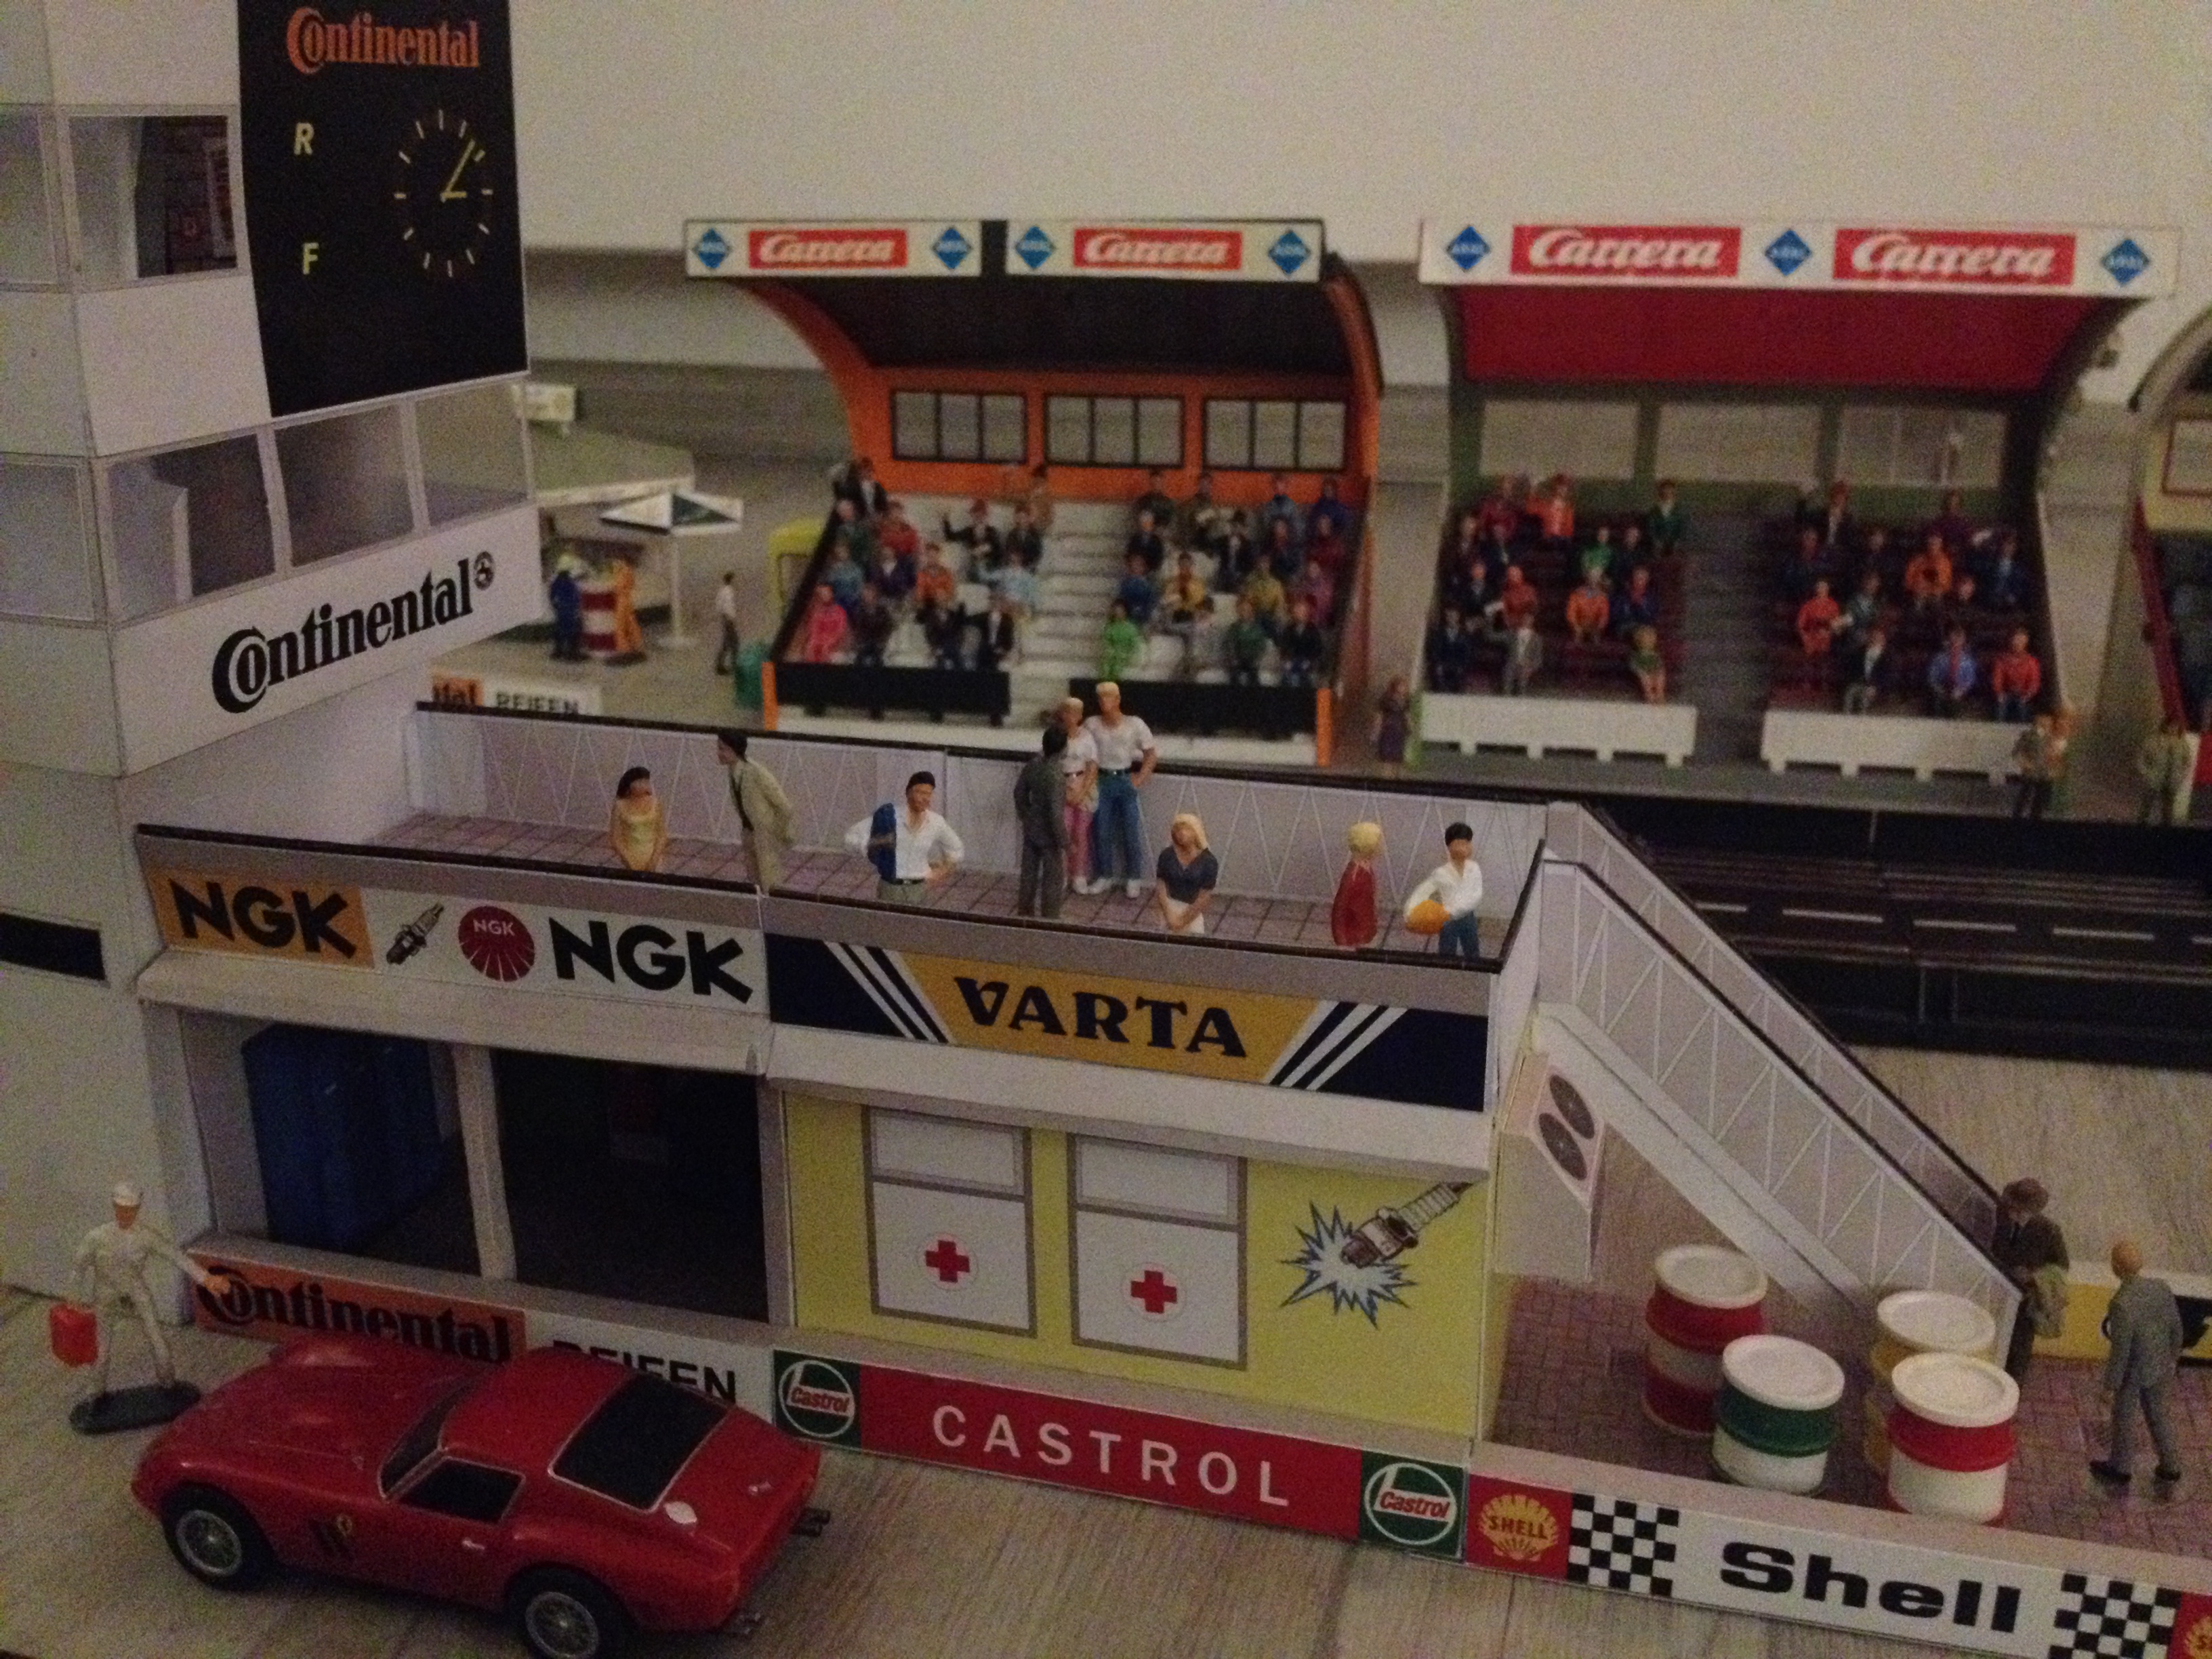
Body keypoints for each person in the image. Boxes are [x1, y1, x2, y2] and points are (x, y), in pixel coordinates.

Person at [72, 1181, 228, 1404]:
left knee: (157, 1340)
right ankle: (95, 1394)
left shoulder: (146, 1236)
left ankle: (168, 1383)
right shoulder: (97, 1237)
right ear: (114, 1208)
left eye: (131, 1210)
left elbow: (176, 1256)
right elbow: (78, 1268)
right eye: (121, 1209)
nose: (126, 1214)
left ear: (137, 1210)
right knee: (102, 1347)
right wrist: (73, 1297)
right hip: (105, 1292)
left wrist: (206, 1278)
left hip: (136, 1289)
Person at [2091, 1240, 2186, 1490]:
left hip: (2134, 1373)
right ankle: (2171, 1465)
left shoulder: (2121, 1303)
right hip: (2160, 1364)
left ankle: (2120, 1467)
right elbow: (2176, 1327)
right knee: (2158, 1414)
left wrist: (2110, 1386)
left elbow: (2121, 1351)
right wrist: (2173, 1357)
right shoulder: (2161, 1288)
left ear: (2117, 1268)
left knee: (2124, 1418)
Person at [844, 770, 964, 904]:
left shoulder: (936, 822)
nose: (925, 798)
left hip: (918, 888)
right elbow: (851, 838)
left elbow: (956, 848)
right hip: (890, 887)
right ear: (908, 793)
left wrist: (944, 871)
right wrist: (875, 843)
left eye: (928, 794)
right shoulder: (889, 817)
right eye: (920, 792)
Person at [1990, 1177, 2068, 1381]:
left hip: (2025, 1304)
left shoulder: (2049, 1232)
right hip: (1998, 1294)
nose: (2015, 1216)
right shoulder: (2003, 1218)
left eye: (2022, 1212)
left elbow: (2061, 1268)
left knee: (2018, 1351)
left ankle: (2014, 1386)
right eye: (2013, 1210)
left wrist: (2034, 1277)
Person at [1084, 683, 1156, 897]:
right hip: (1101, 780)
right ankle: (1104, 875)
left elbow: (1151, 754)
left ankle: (1134, 877)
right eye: (1100, 698)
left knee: (1130, 830)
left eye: (1108, 697)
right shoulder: (1092, 724)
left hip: (1124, 779)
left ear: (1118, 699)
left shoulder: (1135, 724)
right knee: (1101, 830)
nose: (1103, 702)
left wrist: (1140, 778)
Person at [716, 731, 794, 890]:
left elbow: (784, 807)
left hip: (765, 835)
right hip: (749, 832)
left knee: (769, 881)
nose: (719, 753)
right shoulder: (733, 771)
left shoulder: (757, 773)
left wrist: (776, 832)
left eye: (723, 749)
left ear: (735, 749)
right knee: (754, 879)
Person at [1013, 726, 1070, 920]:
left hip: (1032, 828)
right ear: (1062, 748)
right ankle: (1050, 917)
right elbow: (1055, 813)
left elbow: (1019, 792)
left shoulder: (1033, 765)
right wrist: (1065, 842)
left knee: (1028, 875)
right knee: (1053, 879)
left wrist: (1026, 815)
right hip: (1050, 835)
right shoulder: (1056, 776)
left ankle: (1024, 913)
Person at [1406, 822, 1483, 960]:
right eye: (1460, 844)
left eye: (1468, 843)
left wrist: (1452, 911)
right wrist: (1410, 912)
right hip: (1448, 921)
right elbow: (1422, 892)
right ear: (1450, 847)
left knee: (1472, 950)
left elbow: (1476, 895)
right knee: (1447, 952)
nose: (1466, 847)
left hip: (1467, 918)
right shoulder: (1441, 873)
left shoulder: (1474, 868)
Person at [1056, 697, 1099, 896]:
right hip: (1061, 786)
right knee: (1062, 832)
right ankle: (1062, 874)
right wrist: (1064, 789)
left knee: (1081, 833)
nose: (1070, 716)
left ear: (1080, 715)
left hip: (1083, 786)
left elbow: (1092, 766)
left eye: (1075, 712)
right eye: (1067, 711)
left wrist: (1082, 791)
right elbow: (1049, 762)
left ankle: (1079, 874)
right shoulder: (1056, 735)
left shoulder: (1087, 737)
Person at [1153, 812, 1218, 936]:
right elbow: (1161, 886)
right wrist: (1169, 915)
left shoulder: (1208, 861)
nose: (1182, 833)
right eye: (1178, 830)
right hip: (1170, 908)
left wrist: (1183, 921)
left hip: (1192, 911)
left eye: (1187, 829)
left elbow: (1204, 896)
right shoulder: (1167, 856)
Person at [1331, 821, 1382, 949]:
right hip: (1355, 937)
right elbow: (1344, 907)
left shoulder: (1362, 870)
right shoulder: (1357, 876)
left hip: (1361, 933)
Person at [2136, 716, 2194, 825]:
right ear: (2165, 727)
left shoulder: (2182, 744)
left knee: (2168, 809)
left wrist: (2181, 775)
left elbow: (2187, 762)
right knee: (2147, 805)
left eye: (2176, 727)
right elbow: (2141, 758)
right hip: (2154, 778)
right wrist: (2147, 773)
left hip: (2172, 779)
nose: (2173, 729)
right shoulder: (2153, 741)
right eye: (2171, 726)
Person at [608, 766, 667, 872]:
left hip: (653, 857)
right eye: (640, 782)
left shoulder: (656, 804)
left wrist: (654, 859)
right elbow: (615, 837)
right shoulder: (620, 806)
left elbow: (661, 835)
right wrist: (628, 861)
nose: (644, 785)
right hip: (629, 858)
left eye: (646, 782)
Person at [2012, 712, 2059, 819]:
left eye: (2049, 720)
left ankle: (2036, 816)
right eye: (2045, 719)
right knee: (2025, 795)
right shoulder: (2028, 735)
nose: (2048, 722)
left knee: (2039, 798)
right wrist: (2024, 762)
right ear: (2038, 720)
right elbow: (2017, 751)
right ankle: (2017, 814)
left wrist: (2053, 767)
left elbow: (2053, 753)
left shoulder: (2050, 737)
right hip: (2031, 771)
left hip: (2044, 771)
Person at [1988, 630, 2041, 722]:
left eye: (2021, 641)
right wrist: (1999, 693)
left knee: (2023, 709)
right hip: (2006, 693)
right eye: (2017, 640)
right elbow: (1997, 679)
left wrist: (2027, 695)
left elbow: (2034, 682)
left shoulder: (2031, 662)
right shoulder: (2002, 660)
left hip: (2023, 695)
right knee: (2000, 707)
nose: (2018, 644)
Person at [1840, 624, 1893, 714]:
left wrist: (1876, 687)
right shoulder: (1860, 653)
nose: (1875, 640)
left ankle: (1863, 717)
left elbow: (1888, 676)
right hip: (1860, 684)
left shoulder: (1888, 658)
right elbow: (1853, 670)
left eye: (1878, 638)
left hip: (1876, 686)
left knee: (1865, 698)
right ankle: (1846, 716)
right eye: (1873, 637)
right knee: (1851, 692)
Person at [1925, 623, 1977, 717]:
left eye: (1959, 639)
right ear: (1948, 640)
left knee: (1956, 705)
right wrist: (1940, 690)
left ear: (1963, 641)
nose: (1956, 642)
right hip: (1941, 689)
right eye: (1954, 638)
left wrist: (1961, 691)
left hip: (1960, 692)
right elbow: (1932, 677)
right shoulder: (1939, 658)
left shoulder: (1968, 661)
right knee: (1937, 703)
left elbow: (1970, 679)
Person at [1174, 470, 1229, 554]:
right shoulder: (1189, 504)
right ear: (1198, 485)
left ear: (1211, 486)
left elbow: (1219, 522)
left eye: (1208, 484)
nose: (1205, 487)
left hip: (1211, 538)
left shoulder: (1215, 505)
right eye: (1203, 484)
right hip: (1194, 537)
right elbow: (1185, 524)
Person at [1222, 596, 1271, 687]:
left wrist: (1255, 659)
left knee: (1253, 676)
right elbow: (1229, 644)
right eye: (1242, 610)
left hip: (1252, 661)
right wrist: (1233, 658)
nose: (1244, 612)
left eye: (1247, 609)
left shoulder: (1257, 629)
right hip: (1237, 660)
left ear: (1252, 611)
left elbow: (1261, 646)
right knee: (1234, 675)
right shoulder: (1233, 628)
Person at [1277, 597, 1326, 688]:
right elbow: (1284, 646)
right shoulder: (1289, 629)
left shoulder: (1313, 630)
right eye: (1298, 611)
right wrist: (1287, 660)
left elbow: (1317, 648)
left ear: (1307, 614)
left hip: (1307, 661)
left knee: (1304, 679)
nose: (1300, 614)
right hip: (1291, 660)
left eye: (1302, 611)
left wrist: (1309, 661)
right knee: (1287, 677)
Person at [848, 581, 895, 670]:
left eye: (870, 594)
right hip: (863, 643)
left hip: (879, 643)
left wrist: (882, 640)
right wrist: (858, 642)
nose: (868, 597)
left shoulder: (883, 611)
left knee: (878, 658)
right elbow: (856, 629)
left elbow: (889, 627)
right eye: (866, 595)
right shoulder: (858, 611)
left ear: (875, 595)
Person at [1427, 605, 1473, 693]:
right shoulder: (1439, 633)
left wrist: (1461, 666)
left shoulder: (1465, 634)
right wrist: (1438, 664)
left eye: (1453, 616)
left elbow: (1468, 653)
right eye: (1449, 616)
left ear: (1458, 617)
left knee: (1459, 681)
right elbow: (1435, 650)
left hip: (1458, 666)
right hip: (1442, 665)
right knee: (1438, 678)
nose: (1451, 618)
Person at [1904, 532, 1954, 612]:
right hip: (1920, 593)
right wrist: (1917, 588)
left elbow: (1946, 581)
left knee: (1937, 603)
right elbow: (1909, 579)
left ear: (1941, 545)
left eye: (1936, 543)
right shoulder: (1917, 560)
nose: (1933, 546)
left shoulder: (1945, 562)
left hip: (1937, 593)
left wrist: (1936, 588)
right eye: (1931, 543)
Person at [608, 550, 644, 658]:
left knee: (621, 625)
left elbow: (618, 587)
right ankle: (636, 644)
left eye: (617, 560)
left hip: (622, 601)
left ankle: (624, 648)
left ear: (623, 561)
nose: (615, 562)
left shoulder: (624, 572)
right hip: (627, 600)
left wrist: (615, 573)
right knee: (630, 623)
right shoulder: (628, 571)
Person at [800, 582, 848, 663]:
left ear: (832, 594)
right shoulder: (816, 612)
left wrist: (827, 645)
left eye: (826, 593)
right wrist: (813, 646)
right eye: (822, 594)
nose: (824, 596)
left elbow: (840, 632)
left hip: (833, 648)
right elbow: (814, 632)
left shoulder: (839, 612)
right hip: (817, 648)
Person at [1374, 674, 1411, 777]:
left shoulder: (1406, 700)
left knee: (1398, 755)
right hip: (1388, 729)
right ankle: (1386, 775)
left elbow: (1407, 714)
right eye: (1402, 686)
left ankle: (1396, 775)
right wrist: (1376, 730)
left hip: (1400, 729)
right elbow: (1379, 715)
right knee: (1387, 755)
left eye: (1405, 686)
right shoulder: (1386, 700)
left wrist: (1410, 726)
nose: (1404, 688)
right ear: (1395, 686)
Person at [1242, 557, 1288, 638]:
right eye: (1261, 564)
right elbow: (1248, 601)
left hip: (1271, 614)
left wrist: (1277, 613)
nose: (1263, 567)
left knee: (1278, 622)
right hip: (1257, 613)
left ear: (1269, 566)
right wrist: (1251, 613)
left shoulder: (1275, 584)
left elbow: (1280, 603)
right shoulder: (1252, 583)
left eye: (1265, 564)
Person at [829, 454, 888, 518]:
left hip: (877, 519)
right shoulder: (850, 488)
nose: (870, 474)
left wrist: (880, 515)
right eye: (866, 470)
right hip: (857, 519)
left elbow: (884, 506)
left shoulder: (877, 487)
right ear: (858, 472)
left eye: (871, 470)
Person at [1098, 600, 1143, 682]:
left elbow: (1135, 644)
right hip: (1111, 655)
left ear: (1125, 612)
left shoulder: (1131, 628)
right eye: (1116, 611)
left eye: (1120, 611)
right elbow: (1106, 641)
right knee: (1106, 664)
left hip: (1125, 656)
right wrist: (1111, 651)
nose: (1118, 613)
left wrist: (1127, 654)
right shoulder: (1110, 627)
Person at [1610, 565, 1659, 638]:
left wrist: (1641, 605)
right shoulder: (1622, 595)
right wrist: (1629, 603)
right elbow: (1616, 616)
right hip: (1625, 626)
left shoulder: (1649, 598)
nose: (1639, 582)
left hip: (1643, 626)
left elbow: (1652, 616)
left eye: (1642, 579)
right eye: (1636, 579)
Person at [1796, 577, 1840, 659]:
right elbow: (1801, 624)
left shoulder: (1833, 606)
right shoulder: (1808, 606)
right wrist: (1806, 639)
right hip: (1811, 638)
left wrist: (1829, 630)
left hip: (1827, 639)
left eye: (1824, 588)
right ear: (1816, 590)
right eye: (1820, 588)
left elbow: (1837, 624)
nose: (1822, 590)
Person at [548, 562, 583, 662]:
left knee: (560, 631)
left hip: (561, 611)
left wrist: (556, 607)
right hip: (570, 610)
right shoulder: (571, 583)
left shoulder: (555, 583)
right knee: (573, 631)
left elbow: (552, 597)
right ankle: (572, 653)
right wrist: (577, 608)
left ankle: (559, 651)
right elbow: (576, 597)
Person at [913, 542, 957, 619]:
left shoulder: (946, 573)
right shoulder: (922, 573)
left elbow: (950, 591)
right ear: (927, 557)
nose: (932, 559)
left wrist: (942, 595)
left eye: (934, 556)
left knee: (941, 595)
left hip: (943, 602)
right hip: (928, 602)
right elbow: (920, 590)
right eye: (930, 556)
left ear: (938, 556)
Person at [1565, 571, 1610, 644]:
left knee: (1596, 640)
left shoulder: (1602, 598)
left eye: (1596, 579)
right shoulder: (1577, 595)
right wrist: (1576, 626)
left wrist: (1599, 628)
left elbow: (1604, 616)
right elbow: (1571, 613)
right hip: (1579, 626)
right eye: (1591, 579)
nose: (1593, 582)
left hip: (1595, 627)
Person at [1501, 617, 1543, 695]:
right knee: (1508, 676)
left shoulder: (1536, 639)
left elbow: (1538, 656)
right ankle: (1507, 695)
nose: (1527, 622)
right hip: (1513, 661)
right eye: (1525, 620)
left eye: (1529, 621)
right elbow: (1497, 637)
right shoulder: (1513, 634)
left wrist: (1532, 667)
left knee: (1523, 680)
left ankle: (1523, 695)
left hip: (1527, 664)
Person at [1115, 551, 1158, 628]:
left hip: (1144, 616)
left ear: (1144, 567)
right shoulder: (1126, 584)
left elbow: (1152, 600)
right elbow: (1122, 599)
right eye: (1134, 565)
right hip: (1129, 616)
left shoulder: (1148, 585)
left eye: (1139, 565)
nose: (1136, 567)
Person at [1645, 478, 1686, 557]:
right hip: (1658, 547)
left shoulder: (1680, 510)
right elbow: (1651, 528)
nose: (1667, 493)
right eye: (1665, 490)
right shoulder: (1654, 511)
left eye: (1670, 490)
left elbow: (1684, 528)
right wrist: (1657, 542)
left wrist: (1677, 542)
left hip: (1676, 547)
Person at [1308, 476, 1353, 546]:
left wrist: (1330, 526)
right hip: (1317, 542)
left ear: (1335, 491)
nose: (1328, 492)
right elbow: (1311, 523)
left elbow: (1344, 527)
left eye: (1331, 490)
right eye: (1326, 490)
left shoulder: (1340, 509)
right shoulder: (1317, 507)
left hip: (1334, 541)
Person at [1132, 468, 1176, 537]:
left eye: (1158, 483)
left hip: (1163, 532)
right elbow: (1138, 517)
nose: (1156, 485)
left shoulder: (1167, 502)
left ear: (1162, 484)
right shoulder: (1143, 500)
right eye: (1154, 483)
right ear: (1150, 484)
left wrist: (1163, 529)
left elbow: (1172, 519)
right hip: (1147, 531)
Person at [1259, 472, 1302, 543]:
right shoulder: (1270, 506)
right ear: (1274, 488)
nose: (1279, 489)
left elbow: (1297, 526)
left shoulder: (1291, 505)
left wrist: (1286, 530)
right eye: (1277, 486)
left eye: (1282, 486)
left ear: (1286, 487)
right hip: (1273, 540)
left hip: (1289, 540)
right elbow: (1266, 525)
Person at [1629, 626, 1666, 703]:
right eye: (1647, 639)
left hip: (1654, 670)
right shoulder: (1636, 654)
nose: (1650, 641)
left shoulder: (1655, 655)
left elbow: (1659, 663)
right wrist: (1640, 670)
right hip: (1643, 671)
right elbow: (1634, 664)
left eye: (1652, 639)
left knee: (1661, 676)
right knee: (1645, 678)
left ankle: (1659, 693)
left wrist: (1658, 670)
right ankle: (1649, 694)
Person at [876, 498, 922, 564]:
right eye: (893, 512)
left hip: (905, 560)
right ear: (888, 514)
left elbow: (914, 549)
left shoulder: (908, 530)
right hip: (886, 560)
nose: (896, 515)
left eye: (899, 512)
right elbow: (880, 546)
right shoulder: (881, 529)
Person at [1536, 474, 1575, 550]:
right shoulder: (1546, 504)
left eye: (1565, 487)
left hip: (1563, 540)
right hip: (1548, 539)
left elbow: (1569, 529)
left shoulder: (1568, 507)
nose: (1563, 490)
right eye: (1560, 487)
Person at [1126, 508, 1168, 577]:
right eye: (1144, 523)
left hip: (1152, 572)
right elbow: (1130, 554)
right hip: (1136, 572)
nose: (1146, 526)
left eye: (1148, 523)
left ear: (1152, 525)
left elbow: (1159, 557)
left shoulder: (1156, 541)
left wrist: (1149, 568)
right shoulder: (1134, 539)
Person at [1004, 501, 1044, 571]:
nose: (1022, 520)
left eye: (1024, 517)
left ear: (1029, 518)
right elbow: (1008, 550)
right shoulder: (1012, 534)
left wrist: (1023, 561)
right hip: (1013, 568)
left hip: (1029, 568)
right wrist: (1013, 559)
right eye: (1019, 517)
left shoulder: (1035, 535)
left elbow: (1037, 553)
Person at [1496, 564, 1538, 631]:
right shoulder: (1506, 592)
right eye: (1510, 575)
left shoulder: (1529, 590)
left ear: (1521, 575)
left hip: (1525, 624)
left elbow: (1531, 608)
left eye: (1515, 575)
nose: (1513, 577)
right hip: (1509, 624)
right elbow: (1504, 610)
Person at [1579, 522, 1617, 586]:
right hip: (1589, 580)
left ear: (1608, 536)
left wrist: (1605, 579)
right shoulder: (1589, 550)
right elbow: (1584, 568)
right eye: (1600, 534)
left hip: (1604, 583)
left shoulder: (1611, 552)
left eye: (1605, 535)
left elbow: (1612, 570)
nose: (1602, 537)